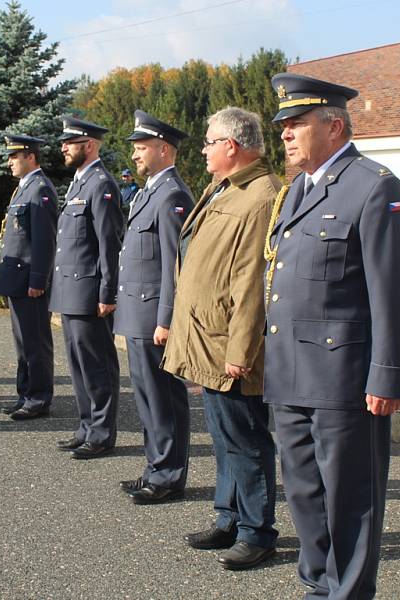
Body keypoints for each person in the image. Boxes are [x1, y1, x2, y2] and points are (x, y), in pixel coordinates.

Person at [265, 73, 400, 599]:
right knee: (304, 495)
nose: (285, 133)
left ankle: (348, 593)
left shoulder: (374, 186)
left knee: (348, 499)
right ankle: (317, 586)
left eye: (296, 123)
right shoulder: (297, 192)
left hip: (343, 379)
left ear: (333, 125)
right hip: (290, 374)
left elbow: (394, 291)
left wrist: (389, 375)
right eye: (283, 124)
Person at [162, 106, 280, 570]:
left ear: (232, 145)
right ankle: (229, 517)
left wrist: (241, 350)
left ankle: (257, 531)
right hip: (207, 336)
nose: (205, 149)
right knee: (224, 435)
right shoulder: (225, 188)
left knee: (246, 439)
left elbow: (253, 280)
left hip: (230, 344)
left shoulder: (260, 196)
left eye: (210, 141)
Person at [114, 110, 194, 504]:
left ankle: (167, 476)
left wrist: (167, 319)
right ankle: (154, 467)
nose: (135, 156)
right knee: (145, 397)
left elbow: (174, 266)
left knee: (163, 397)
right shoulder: (148, 192)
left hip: (153, 316)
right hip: (136, 312)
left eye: (142, 148)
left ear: (164, 149)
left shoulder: (173, 195)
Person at [50, 116, 123, 459]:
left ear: (89, 145)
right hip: (70, 290)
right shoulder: (79, 183)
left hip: (90, 292)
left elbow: (108, 244)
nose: (63, 147)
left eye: (70, 142)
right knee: (78, 364)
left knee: (97, 365)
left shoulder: (101, 184)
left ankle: (102, 432)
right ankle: (85, 426)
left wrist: (108, 292)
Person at [0, 134, 58, 420]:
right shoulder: (24, 188)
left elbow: (44, 241)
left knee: (35, 343)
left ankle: (38, 398)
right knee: (23, 342)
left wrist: (38, 280)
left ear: (30, 157)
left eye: (14, 157)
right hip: (17, 279)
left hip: (29, 281)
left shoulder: (39, 189)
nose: (9, 162)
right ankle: (25, 393)